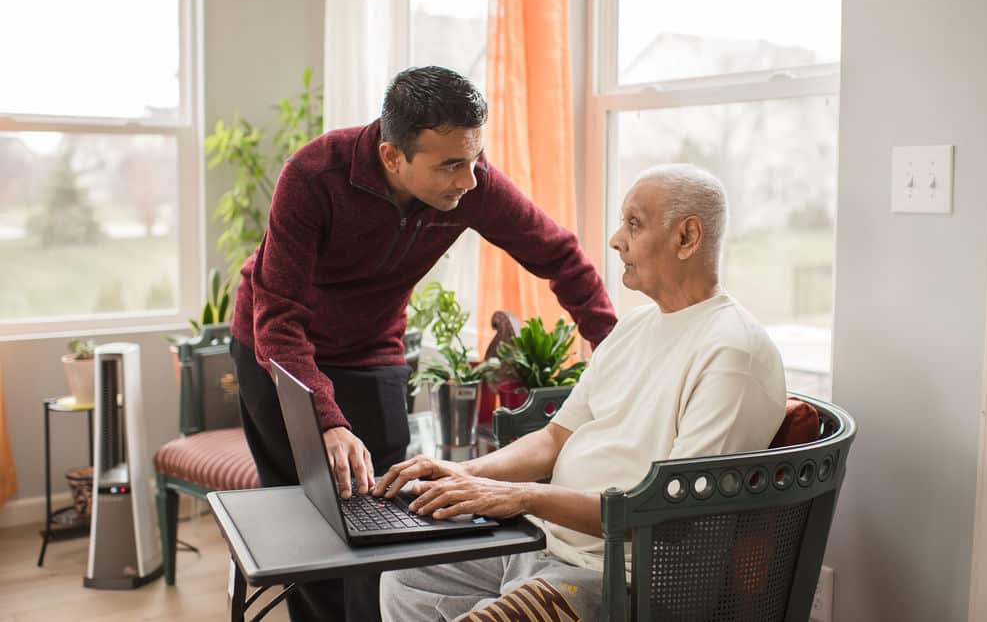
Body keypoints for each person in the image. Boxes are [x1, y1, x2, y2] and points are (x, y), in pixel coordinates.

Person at [228, 65, 617, 622]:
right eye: (451, 165)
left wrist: (614, 348)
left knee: (390, 516)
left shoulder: (471, 182)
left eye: (474, 158)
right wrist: (328, 420)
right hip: (277, 351)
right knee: (311, 523)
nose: (470, 180)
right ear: (393, 157)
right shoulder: (314, 176)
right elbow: (280, 319)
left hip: (372, 349)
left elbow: (560, 255)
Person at [376, 164, 787, 622]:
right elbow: (556, 438)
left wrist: (523, 496)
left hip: (625, 581)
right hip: (546, 543)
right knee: (404, 576)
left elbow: (670, 514)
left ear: (687, 238)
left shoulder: (733, 352)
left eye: (634, 223)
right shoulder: (634, 326)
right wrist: (464, 473)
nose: (616, 239)